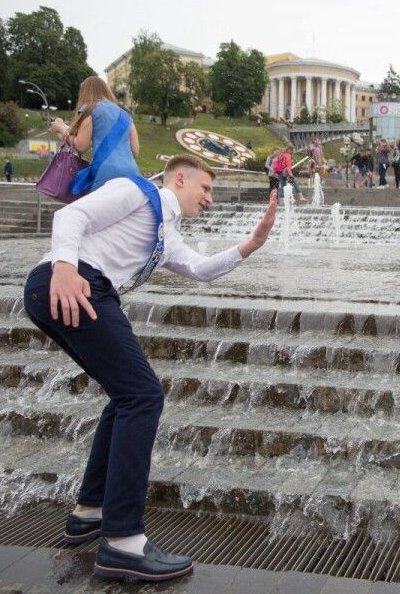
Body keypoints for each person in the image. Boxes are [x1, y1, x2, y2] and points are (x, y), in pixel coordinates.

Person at [22, 154, 278, 581]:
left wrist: (249, 245)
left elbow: (198, 269)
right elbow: (72, 216)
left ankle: (91, 511)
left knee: (125, 397)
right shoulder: (135, 191)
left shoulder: (166, 232)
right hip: (73, 282)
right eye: (205, 189)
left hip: (72, 289)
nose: (209, 199)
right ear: (180, 178)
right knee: (143, 395)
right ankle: (123, 542)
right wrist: (64, 266)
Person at [49, 76, 140, 194]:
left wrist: (61, 129)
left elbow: (81, 146)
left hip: (104, 173)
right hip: (131, 174)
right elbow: (135, 151)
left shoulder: (89, 109)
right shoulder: (125, 115)